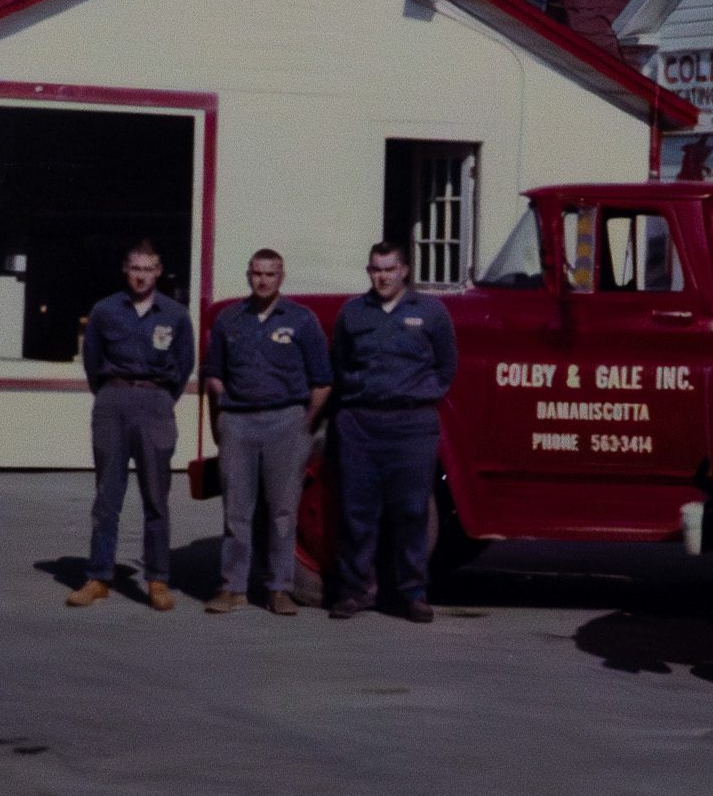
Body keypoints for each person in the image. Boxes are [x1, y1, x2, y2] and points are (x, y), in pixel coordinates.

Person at [327, 240, 457, 623]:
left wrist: (419, 394)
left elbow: (447, 366)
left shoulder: (431, 312)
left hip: (411, 426)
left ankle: (413, 593)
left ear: (404, 270)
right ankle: (355, 591)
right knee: (356, 512)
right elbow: (340, 362)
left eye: (389, 269)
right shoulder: (352, 313)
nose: (381, 276)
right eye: (375, 269)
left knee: (412, 511)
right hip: (360, 422)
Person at [199, 249, 332, 616]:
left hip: (285, 422)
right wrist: (221, 424)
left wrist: (302, 424)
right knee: (237, 510)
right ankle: (232, 587)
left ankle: (280, 589)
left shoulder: (302, 320)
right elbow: (214, 377)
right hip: (239, 422)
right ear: (248, 275)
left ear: (281, 277)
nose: (263, 280)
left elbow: (322, 382)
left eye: (270, 274)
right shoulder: (229, 320)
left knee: (282, 511)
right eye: (257, 273)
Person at [69, 240, 194, 612]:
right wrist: (110, 394)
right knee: (107, 495)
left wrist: (159, 399)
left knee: (156, 497)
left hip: (155, 403)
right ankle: (99, 576)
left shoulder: (174, 314)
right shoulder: (105, 311)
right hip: (113, 401)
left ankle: (157, 579)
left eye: (149, 269)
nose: (142, 276)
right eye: (135, 268)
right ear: (126, 269)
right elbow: (93, 361)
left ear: (159, 271)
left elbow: (184, 364)